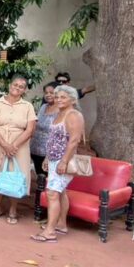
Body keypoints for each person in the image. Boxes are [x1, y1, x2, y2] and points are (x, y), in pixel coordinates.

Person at [32, 85, 85, 243]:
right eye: (57, 97)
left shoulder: (73, 115)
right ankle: (61, 224)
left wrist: (64, 161)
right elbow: (53, 139)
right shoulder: (60, 113)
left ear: (72, 99)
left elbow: (74, 140)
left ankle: (49, 232)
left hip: (63, 160)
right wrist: (48, 158)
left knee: (52, 193)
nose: (59, 100)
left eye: (63, 97)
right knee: (60, 192)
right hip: (54, 159)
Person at [0, 75, 37, 224]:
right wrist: (5, 145)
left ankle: (13, 209)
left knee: (15, 176)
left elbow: (30, 129)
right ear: (9, 85)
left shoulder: (28, 106)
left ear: (24, 90)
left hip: (20, 146)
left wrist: (13, 146)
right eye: (15, 85)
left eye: (21, 86)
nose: (17, 88)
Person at [31, 82, 60, 178]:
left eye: (51, 92)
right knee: (40, 177)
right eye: (46, 93)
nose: (48, 95)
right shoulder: (43, 107)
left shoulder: (62, 110)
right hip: (35, 149)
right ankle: (40, 193)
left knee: (50, 179)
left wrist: (48, 156)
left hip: (50, 152)